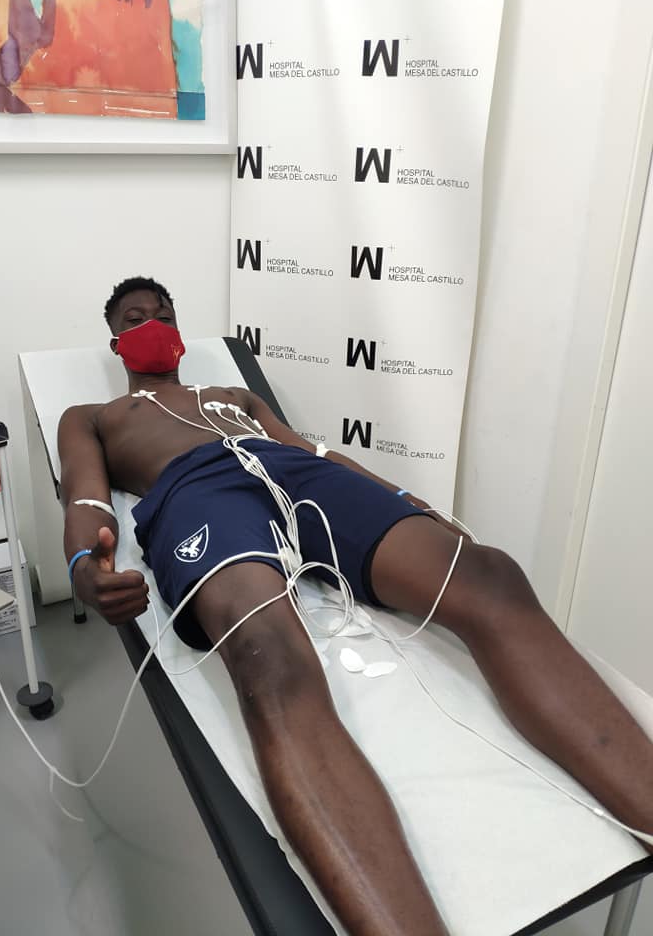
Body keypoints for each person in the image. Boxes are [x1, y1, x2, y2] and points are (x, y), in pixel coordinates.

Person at [58, 276, 653, 936]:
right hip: (195, 491)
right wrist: (85, 565)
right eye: (136, 317)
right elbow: (84, 499)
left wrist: (404, 498)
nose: (153, 324)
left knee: (490, 576)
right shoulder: (94, 416)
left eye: (164, 314)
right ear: (116, 342)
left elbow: (312, 452)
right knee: (269, 659)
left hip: (288, 469)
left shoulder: (234, 396)